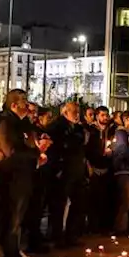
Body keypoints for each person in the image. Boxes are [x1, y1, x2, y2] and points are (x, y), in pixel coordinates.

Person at [0, 88, 46, 257]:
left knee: (18, 218)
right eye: (24, 101)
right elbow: (12, 151)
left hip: (24, 177)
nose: (27, 104)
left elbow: (28, 144)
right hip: (13, 178)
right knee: (12, 219)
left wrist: (38, 152)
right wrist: (35, 154)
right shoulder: (7, 123)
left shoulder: (23, 124)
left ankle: (15, 252)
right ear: (14, 104)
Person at [46, 100, 88, 247]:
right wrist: (58, 168)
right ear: (65, 112)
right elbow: (56, 148)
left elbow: (80, 144)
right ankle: (57, 236)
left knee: (78, 202)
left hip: (76, 169)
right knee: (59, 204)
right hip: (63, 170)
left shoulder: (77, 128)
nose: (77, 115)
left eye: (78, 112)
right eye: (74, 112)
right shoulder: (56, 127)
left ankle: (71, 235)